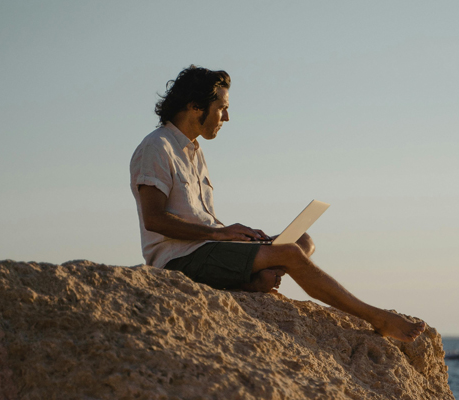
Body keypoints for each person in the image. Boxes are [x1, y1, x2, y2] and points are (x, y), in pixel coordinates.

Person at [129, 65, 426, 342]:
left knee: (301, 240)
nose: (227, 118)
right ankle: (376, 317)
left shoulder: (195, 153)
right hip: (180, 260)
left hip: (208, 249)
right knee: (291, 254)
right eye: (222, 108)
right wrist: (220, 233)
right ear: (195, 106)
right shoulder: (157, 146)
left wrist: (233, 235)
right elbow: (154, 219)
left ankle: (254, 282)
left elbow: (199, 218)